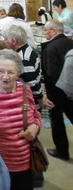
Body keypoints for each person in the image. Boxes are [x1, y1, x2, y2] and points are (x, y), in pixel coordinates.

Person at [0, 49, 42, 190]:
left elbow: (36, 116)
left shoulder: (24, 90)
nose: (5, 77)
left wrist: (35, 127)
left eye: (11, 72)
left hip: (25, 164)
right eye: (1, 71)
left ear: (18, 74)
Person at [41, 20, 73, 160]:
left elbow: (51, 73)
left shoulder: (50, 47)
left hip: (56, 91)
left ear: (54, 31)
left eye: (46, 30)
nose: (44, 33)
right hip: (70, 89)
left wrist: (48, 94)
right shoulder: (69, 42)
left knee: (57, 121)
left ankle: (62, 151)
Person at [2, 25, 49, 108]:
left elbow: (31, 83)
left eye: (6, 39)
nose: (3, 41)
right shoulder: (29, 50)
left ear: (13, 41)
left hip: (30, 101)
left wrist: (40, 99)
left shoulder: (23, 58)